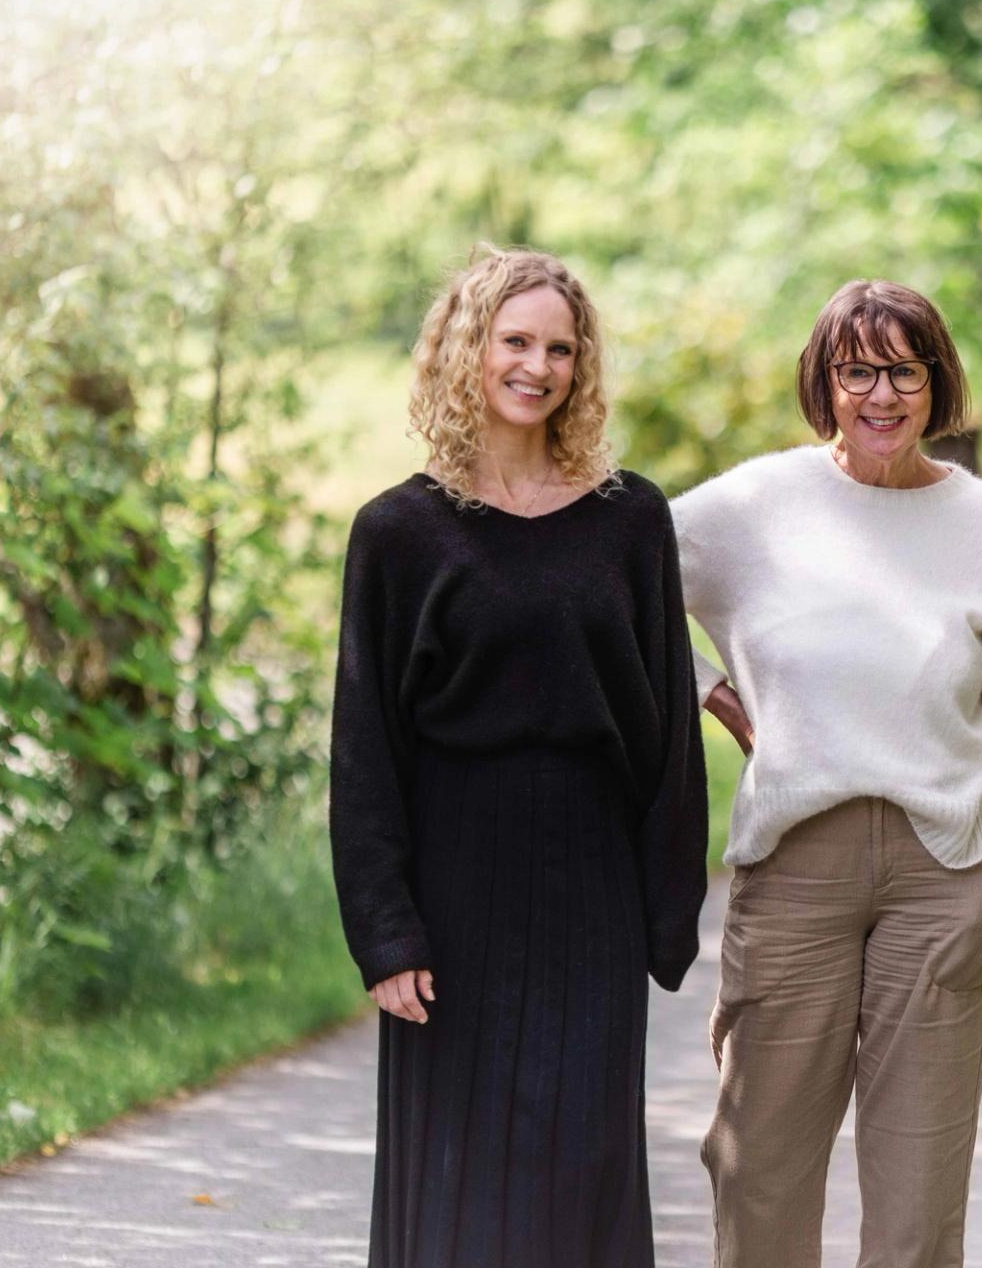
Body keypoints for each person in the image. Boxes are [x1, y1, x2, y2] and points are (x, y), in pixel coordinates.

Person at [672, 279, 982, 1268]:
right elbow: (599, 580)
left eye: (906, 369)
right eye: (858, 369)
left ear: (937, 384)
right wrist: (714, 692)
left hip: (948, 873)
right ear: (824, 381)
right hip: (795, 864)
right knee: (758, 1163)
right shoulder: (756, 505)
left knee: (917, 1193)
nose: (882, 393)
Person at [328, 246, 707, 1268]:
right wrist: (386, 928)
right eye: (516, 341)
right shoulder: (398, 531)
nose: (537, 366)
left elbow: (669, 724)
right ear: (467, 348)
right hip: (453, 881)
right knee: (456, 1170)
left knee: (580, 1160)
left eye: (561, 348)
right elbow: (365, 750)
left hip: (590, 883)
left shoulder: (631, 517)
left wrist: (666, 907)